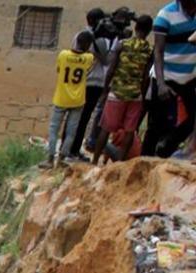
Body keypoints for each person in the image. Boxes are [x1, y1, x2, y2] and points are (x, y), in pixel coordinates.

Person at [92, 14, 155, 164]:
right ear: (149, 31)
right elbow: (146, 75)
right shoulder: (149, 50)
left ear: (135, 27)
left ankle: (94, 162)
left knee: (106, 128)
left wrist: (105, 89)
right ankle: (120, 164)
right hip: (135, 95)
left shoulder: (122, 44)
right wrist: (141, 93)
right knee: (129, 130)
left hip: (117, 92)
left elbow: (112, 69)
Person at [43, 31, 97, 167]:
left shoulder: (63, 55)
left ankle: (50, 159)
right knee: (71, 132)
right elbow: (89, 68)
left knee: (54, 129)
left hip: (61, 97)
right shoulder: (89, 58)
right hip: (78, 99)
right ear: (87, 45)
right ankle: (62, 158)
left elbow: (59, 70)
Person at [153, 0, 196, 159]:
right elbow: (158, 51)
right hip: (167, 75)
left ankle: (166, 151)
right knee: (158, 124)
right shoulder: (165, 15)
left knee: (191, 121)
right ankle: (147, 159)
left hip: (189, 76)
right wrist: (161, 83)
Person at [70, 9, 114, 159]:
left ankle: (69, 148)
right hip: (92, 82)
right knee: (83, 118)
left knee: (77, 117)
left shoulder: (80, 36)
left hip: (82, 81)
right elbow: (106, 60)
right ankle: (73, 150)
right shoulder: (94, 39)